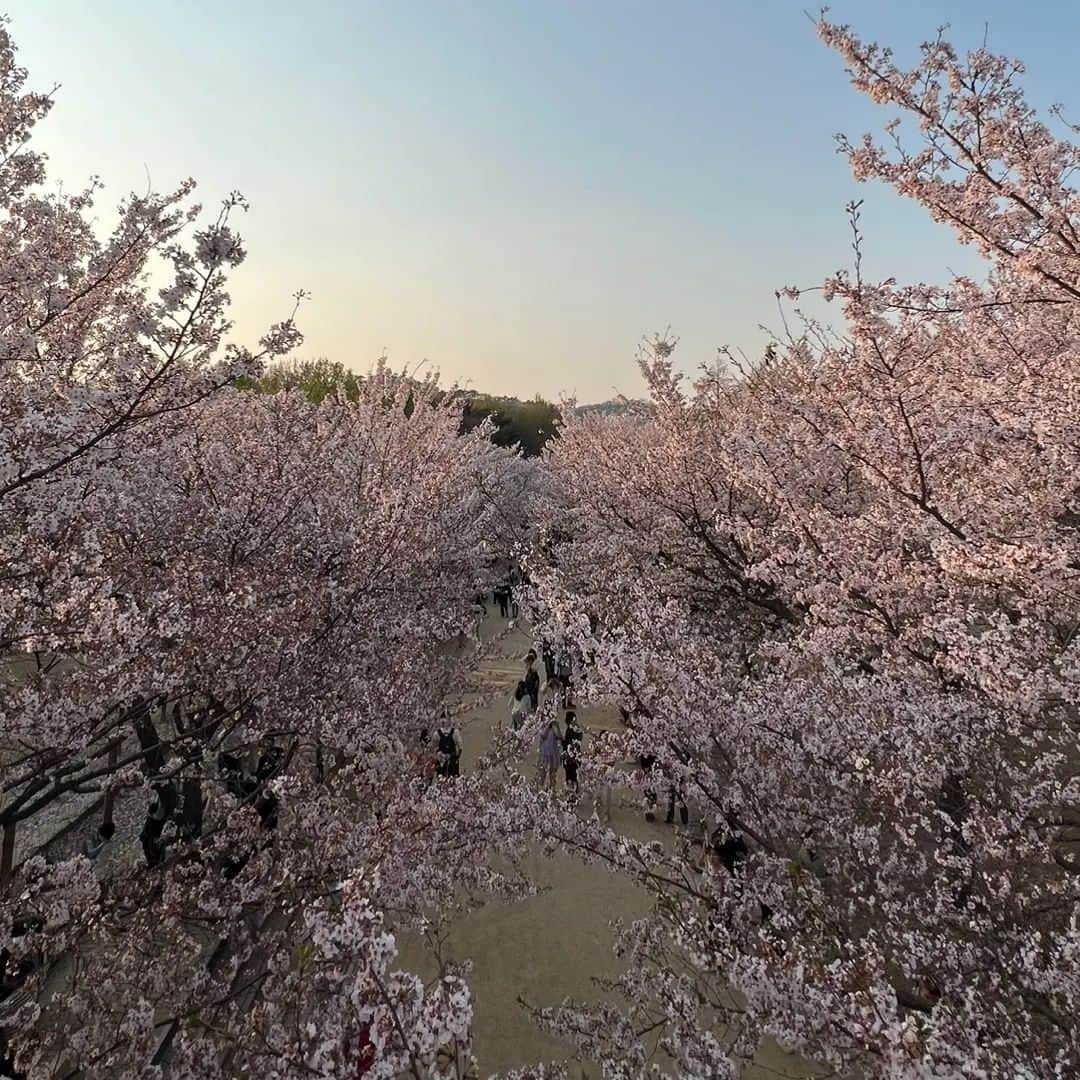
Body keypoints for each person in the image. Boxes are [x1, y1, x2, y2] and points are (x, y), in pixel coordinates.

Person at [537, 713, 562, 793]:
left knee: (550, 772)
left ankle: (551, 788)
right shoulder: (547, 725)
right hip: (548, 752)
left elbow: (559, 736)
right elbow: (543, 736)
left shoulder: (551, 725)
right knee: (545, 771)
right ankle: (543, 788)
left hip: (550, 752)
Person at [561, 710, 583, 795]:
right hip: (571, 758)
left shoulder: (570, 731)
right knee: (572, 775)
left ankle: (572, 791)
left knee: (571, 775)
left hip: (571, 758)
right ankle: (573, 791)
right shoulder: (572, 730)